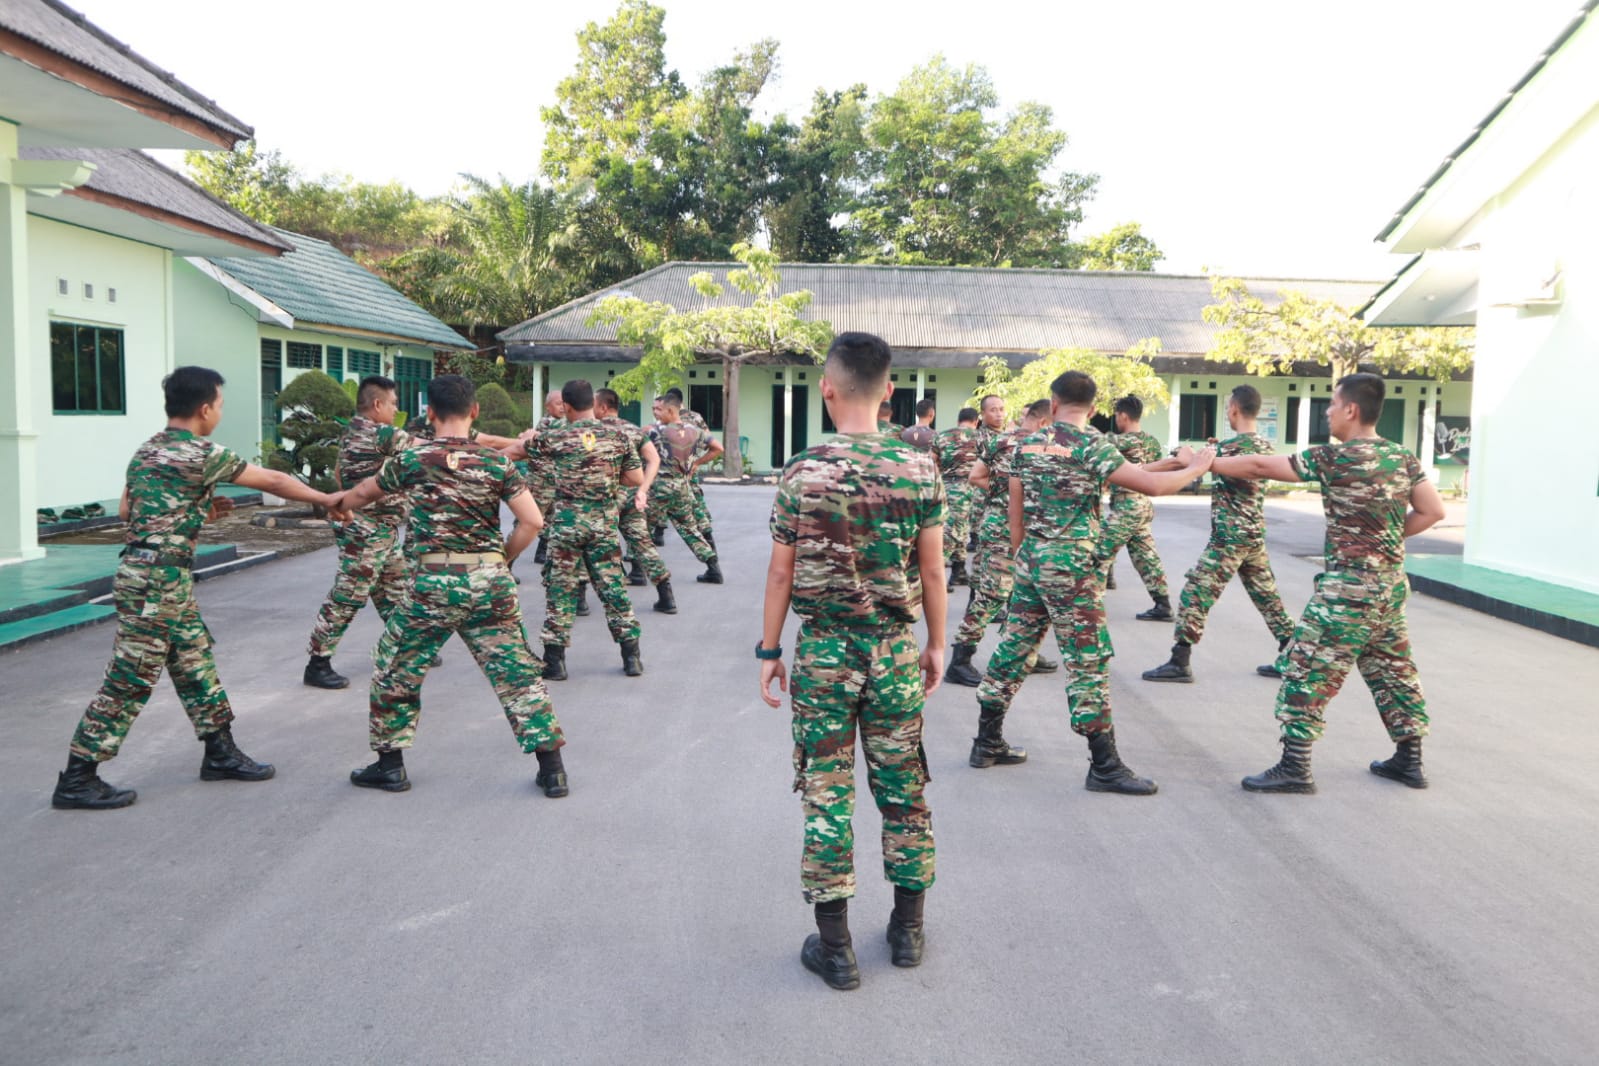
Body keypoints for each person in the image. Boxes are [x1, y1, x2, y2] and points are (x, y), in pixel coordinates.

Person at [51, 367, 341, 810]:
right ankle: (78, 775)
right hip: (156, 580)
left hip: (155, 573)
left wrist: (196, 511)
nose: (220, 412)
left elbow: (131, 511)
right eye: (220, 405)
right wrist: (327, 500)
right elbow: (275, 481)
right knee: (130, 677)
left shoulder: (146, 450)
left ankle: (220, 753)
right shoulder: (201, 452)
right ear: (205, 409)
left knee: (193, 662)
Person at [759, 331, 945, 991]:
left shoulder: (802, 469)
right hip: (894, 649)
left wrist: (769, 650)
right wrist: (936, 643)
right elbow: (931, 568)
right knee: (903, 790)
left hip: (825, 652)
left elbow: (780, 574)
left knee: (826, 793)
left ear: (826, 390)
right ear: (889, 389)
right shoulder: (918, 467)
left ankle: (835, 948)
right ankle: (907, 930)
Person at [968, 371, 1213, 795]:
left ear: (1054, 402)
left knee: (1013, 648)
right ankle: (1104, 763)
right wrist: (1196, 468)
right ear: (1095, 408)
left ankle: (986, 741)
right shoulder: (1092, 445)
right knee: (1087, 661)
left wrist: (1023, 553)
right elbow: (1150, 485)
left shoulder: (1027, 444)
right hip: (1072, 569)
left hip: (1031, 560)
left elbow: (1016, 506)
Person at [331, 374, 569, 796]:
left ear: (430, 414)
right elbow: (532, 521)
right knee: (516, 673)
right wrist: (503, 558)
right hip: (490, 581)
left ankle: (390, 766)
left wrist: (334, 508)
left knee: (395, 667)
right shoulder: (497, 463)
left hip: (431, 585)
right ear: (474, 411)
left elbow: (361, 493)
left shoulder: (413, 459)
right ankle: (552, 768)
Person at [1207, 373, 1444, 793]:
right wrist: (1381, 538)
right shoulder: (1402, 457)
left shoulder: (1335, 457)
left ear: (1351, 410)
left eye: (1332, 405)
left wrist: (1206, 462)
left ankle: (1295, 766)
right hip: (1388, 586)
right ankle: (1410, 759)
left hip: (1348, 590)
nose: (1329, 412)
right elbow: (1432, 511)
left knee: (1305, 666)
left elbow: (1263, 466)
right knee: (1393, 669)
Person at [1142, 385, 1296, 683]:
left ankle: (1180, 660)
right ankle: (1292, 655)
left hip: (1229, 538)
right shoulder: (1265, 446)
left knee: (1195, 593)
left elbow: (1182, 464)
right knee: (1267, 598)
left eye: (1228, 408)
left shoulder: (1227, 449)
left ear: (1234, 410)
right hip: (1253, 535)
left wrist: (1182, 456)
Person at [526, 380, 646, 680]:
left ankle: (555, 662)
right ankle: (632, 657)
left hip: (566, 524)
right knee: (613, 589)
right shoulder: (617, 436)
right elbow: (636, 477)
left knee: (560, 590)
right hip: (603, 524)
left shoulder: (554, 435)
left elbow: (518, 452)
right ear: (593, 405)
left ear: (566, 406)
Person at [303, 375, 412, 690]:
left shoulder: (351, 431)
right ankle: (318, 661)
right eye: (392, 404)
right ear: (377, 405)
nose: (395, 410)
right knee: (349, 595)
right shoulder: (382, 434)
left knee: (394, 588)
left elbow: (339, 472)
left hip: (378, 525)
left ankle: (401, 648)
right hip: (366, 529)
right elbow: (429, 451)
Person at [946, 400, 1058, 687]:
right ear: (1045, 422)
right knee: (993, 595)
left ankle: (1021, 653)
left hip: (994, 523)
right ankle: (960, 660)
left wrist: (1003, 490)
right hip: (1013, 529)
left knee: (1016, 593)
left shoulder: (1002, 440)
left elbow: (975, 477)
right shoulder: (1046, 446)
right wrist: (1019, 495)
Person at [593, 388, 676, 615]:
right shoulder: (633, 430)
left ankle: (580, 599)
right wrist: (643, 489)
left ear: (602, 407)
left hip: (606, 496)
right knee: (642, 543)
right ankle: (666, 596)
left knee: (590, 542)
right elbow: (654, 460)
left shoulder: (593, 431)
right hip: (632, 493)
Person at [1097, 396, 1174, 621]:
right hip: (1143, 504)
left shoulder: (1120, 441)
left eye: (1116, 416)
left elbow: (1096, 444)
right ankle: (1163, 604)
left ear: (1123, 415)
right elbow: (1158, 470)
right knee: (1146, 556)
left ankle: (1089, 609)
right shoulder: (1152, 442)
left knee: (1099, 553)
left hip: (1127, 505)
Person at [647, 395, 725, 584]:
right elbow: (718, 448)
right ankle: (713, 567)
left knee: (640, 528)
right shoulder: (695, 431)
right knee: (690, 529)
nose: (658, 414)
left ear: (671, 411)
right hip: (682, 487)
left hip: (659, 488)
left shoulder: (656, 431)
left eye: (660, 410)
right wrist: (697, 463)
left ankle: (637, 572)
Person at [659, 387, 716, 548]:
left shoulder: (667, 418)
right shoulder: (696, 417)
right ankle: (707, 532)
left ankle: (659, 532)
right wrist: (697, 460)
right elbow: (708, 441)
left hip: (669, 468)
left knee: (662, 499)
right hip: (690, 464)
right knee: (695, 498)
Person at [932, 407, 982, 590]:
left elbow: (932, 462)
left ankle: (959, 571)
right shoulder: (982, 437)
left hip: (946, 487)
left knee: (959, 528)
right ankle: (935, 575)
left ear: (958, 420)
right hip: (971, 488)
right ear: (976, 421)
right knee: (953, 531)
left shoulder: (942, 436)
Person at [527, 391, 566, 565]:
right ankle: (508, 561)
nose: (563, 407)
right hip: (540, 480)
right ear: (548, 406)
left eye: (565, 403)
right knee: (532, 518)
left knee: (552, 517)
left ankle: (542, 550)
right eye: (558, 404)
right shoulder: (548, 423)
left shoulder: (561, 423)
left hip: (554, 479)